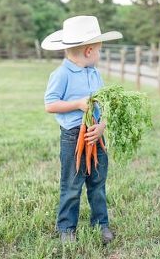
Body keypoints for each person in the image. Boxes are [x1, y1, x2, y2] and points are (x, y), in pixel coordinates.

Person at [43, 15, 123, 244]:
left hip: (96, 136)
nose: (100, 54)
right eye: (99, 50)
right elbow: (50, 104)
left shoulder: (95, 72)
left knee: (98, 182)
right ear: (89, 51)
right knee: (72, 183)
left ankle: (101, 223)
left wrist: (102, 127)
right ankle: (66, 227)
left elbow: (104, 105)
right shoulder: (62, 74)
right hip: (73, 137)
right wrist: (78, 104)